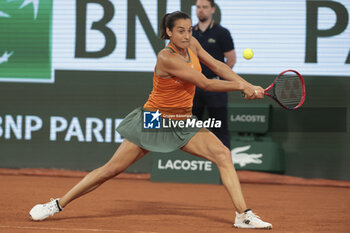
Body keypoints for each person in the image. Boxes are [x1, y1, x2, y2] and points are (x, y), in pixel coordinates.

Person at [29, 11, 272, 229]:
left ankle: (243, 215)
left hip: (183, 120)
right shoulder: (166, 58)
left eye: (189, 30)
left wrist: (248, 85)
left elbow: (218, 66)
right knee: (109, 170)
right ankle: (58, 204)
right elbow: (205, 83)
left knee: (222, 153)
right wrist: (241, 85)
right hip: (155, 119)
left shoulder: (193, 44)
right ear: (168, 32)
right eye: (180, 31)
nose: (187, 35)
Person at [192, 0, 236, 150]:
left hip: (216, 88)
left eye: (204, 7)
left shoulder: (222, 33)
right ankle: (192, 164)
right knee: (190, 126)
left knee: (219, 127)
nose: (201, 10)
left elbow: (231, 60)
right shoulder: (190, 33)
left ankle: (224, 168)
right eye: (198, 7)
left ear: (212, 10)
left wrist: (218, 77)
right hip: (194, 87)